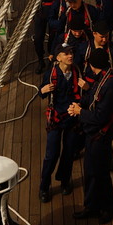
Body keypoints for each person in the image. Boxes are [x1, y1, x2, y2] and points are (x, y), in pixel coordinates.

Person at [69, 49, 113, 223]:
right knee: (90, 172)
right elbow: (91, 97)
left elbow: (101, 117)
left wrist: (80, 112)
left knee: (101, 173)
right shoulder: (102, 79)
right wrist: (78, 104)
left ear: (92, 65)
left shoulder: (110, 85)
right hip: (92, 135)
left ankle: (107, 208)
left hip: (101, 136)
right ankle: (91, 206)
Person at [37, 45, 80, 202]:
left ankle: (64, 180)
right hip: (56, 118)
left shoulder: (76, 71)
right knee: (51, 154)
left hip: (71, 117)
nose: (70, 55)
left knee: (68, 152)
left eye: (71, 52)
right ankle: (44, 186)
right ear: (58, 58)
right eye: (66, 53)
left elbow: (81, 93)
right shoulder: (51, 74)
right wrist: (43, 90)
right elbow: (41, 91)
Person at [32, 0, 65, 73]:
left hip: (54, 12)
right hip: (41, 12)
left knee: (53, 38)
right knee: (37, 38)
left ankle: (52, 60)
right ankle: (41, 60)